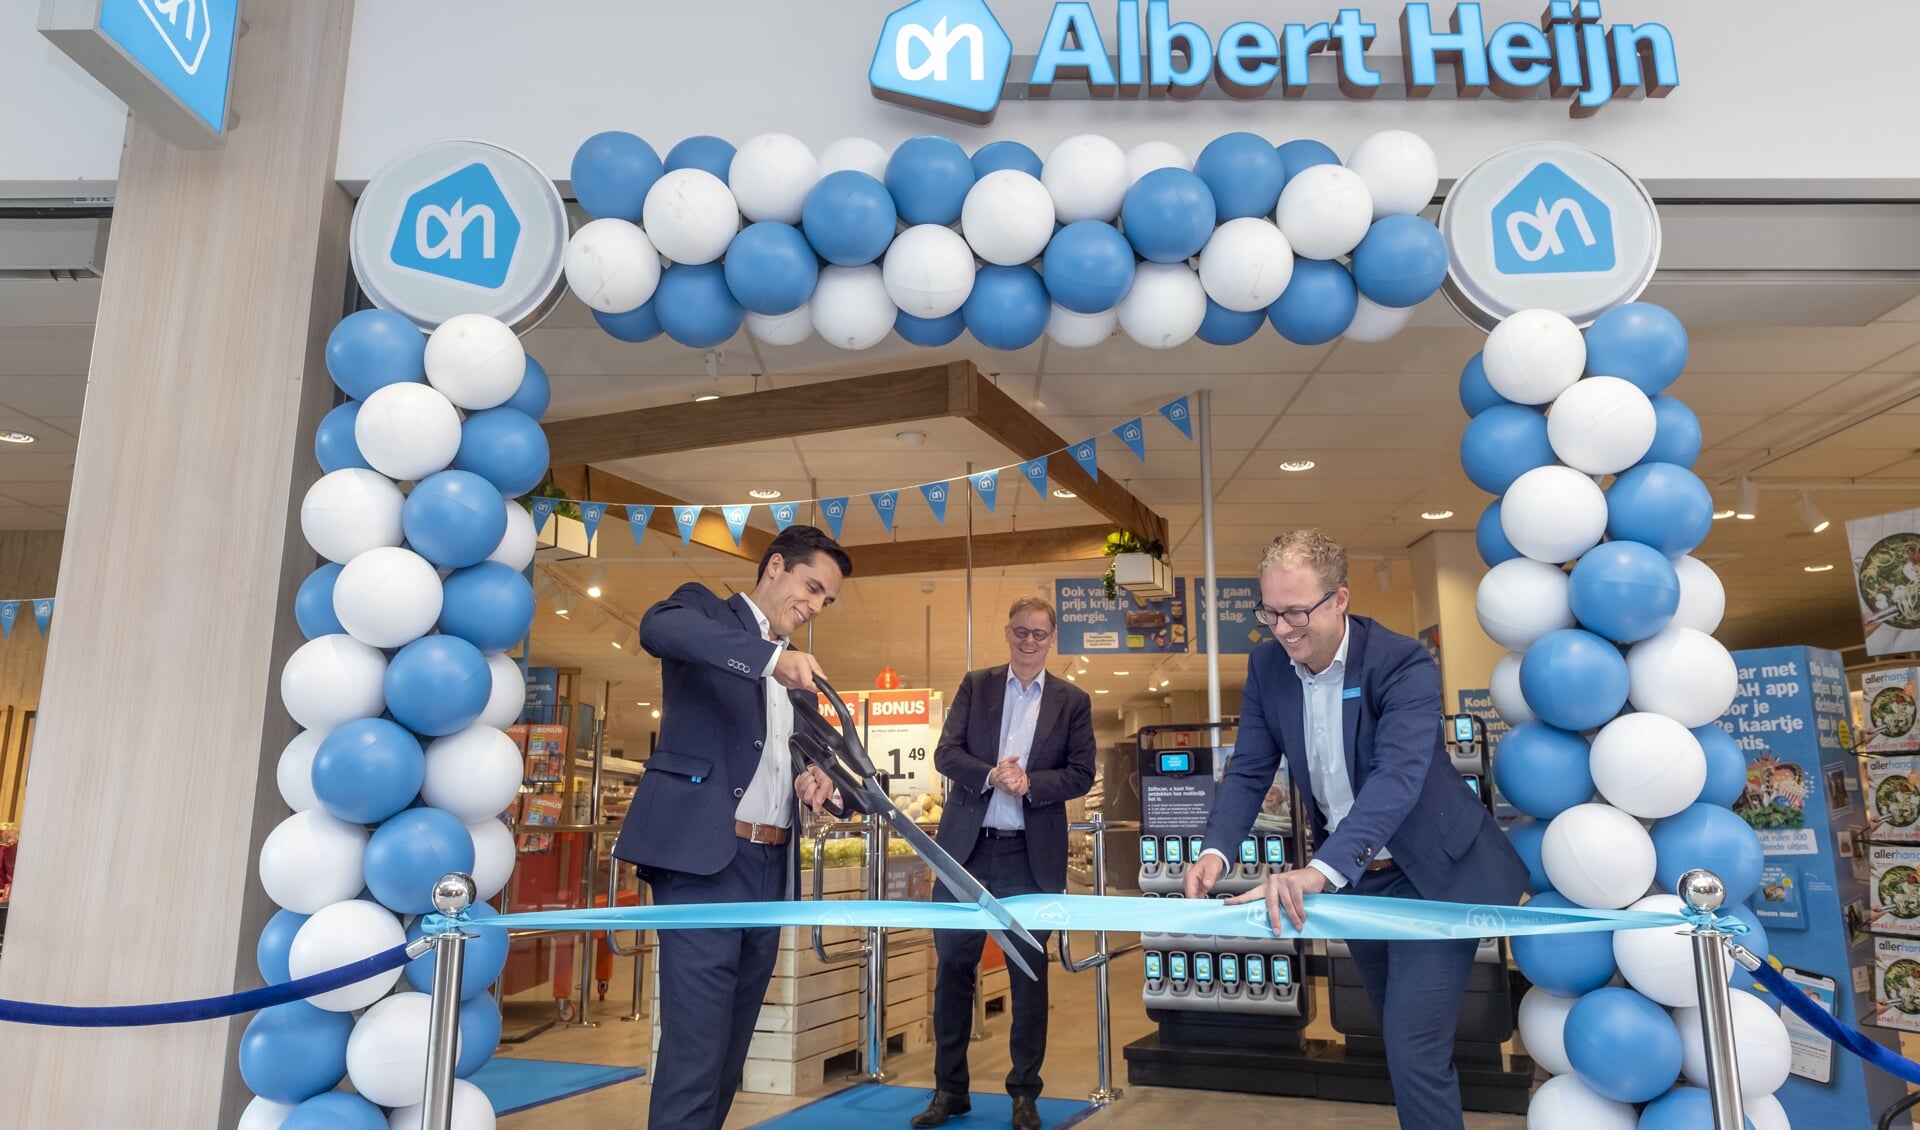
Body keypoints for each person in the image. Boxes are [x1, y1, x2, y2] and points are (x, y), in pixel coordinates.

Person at [1186, 529, 1526, 1130]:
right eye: (1270, 611)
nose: (1282, 628)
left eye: (1296, 611)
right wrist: (1214, 850)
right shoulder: (1268, 665)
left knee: (1414, 1047)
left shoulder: (1401, 661)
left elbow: (1397, 778)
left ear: (1339, 600)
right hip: (1360, 880)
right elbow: (1249, 770)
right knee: (1393, 1035)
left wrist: (1318, 871)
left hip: (1432, 878)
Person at [610, 525, 851, 1130]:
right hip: (703, 862)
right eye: (812, 586)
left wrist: (819, 779)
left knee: (730, 1050)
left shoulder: (798, 680)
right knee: (696, 1046)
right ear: (775, 567)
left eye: (827, 600)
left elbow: (806, 758)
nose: (816, 606)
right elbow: (656, 628)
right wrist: (772, 658)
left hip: (769, 869)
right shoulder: (704, 611)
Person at [914, 596, 1097, 1130]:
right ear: (1007, 632)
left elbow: (1081, 774)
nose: (1029, 641)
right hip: (964, 853)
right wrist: (993, 775)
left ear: (1052, 638)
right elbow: (946, 753)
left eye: (1039, 634)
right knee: (952, 970)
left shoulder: (1073, 701)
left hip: (1028, 856)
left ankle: (1024, 1094)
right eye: (1021, 631)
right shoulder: (978, 685)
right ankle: (950, 1090)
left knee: (1028, 975)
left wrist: (1030, 783)